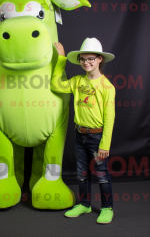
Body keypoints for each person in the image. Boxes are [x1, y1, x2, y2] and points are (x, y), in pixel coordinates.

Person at [51, 37, 115, 224]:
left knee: (102, 175)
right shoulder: (77, 81)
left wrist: (105, 144)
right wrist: (61, 60)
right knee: (82, 173)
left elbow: (110, 118)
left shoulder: (107, 87)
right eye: (82, 59)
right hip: (80, 135)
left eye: (90, 59)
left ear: (99, 59)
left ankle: (107, 208)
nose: (86, 62)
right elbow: (56, 85)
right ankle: (85, 204)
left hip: (97, 137)